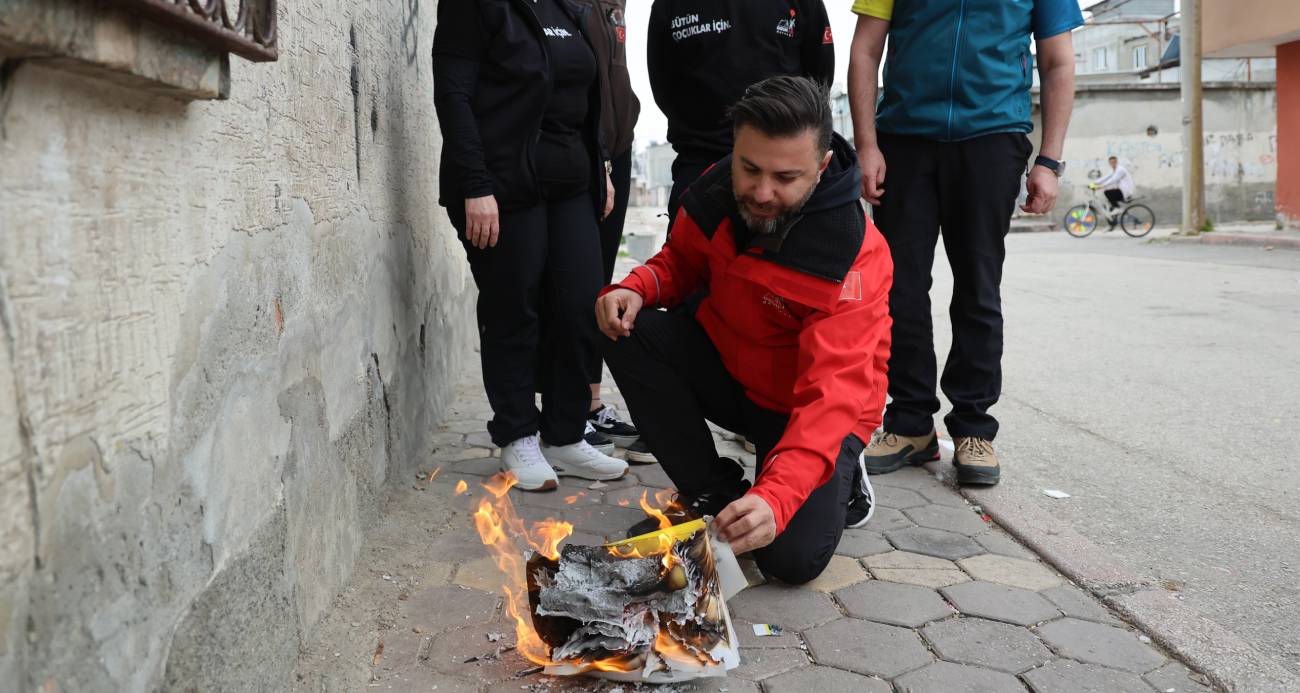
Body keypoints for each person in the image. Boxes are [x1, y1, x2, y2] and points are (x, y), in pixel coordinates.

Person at [597, 76, 892, 585]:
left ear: (821, 169)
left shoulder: (853, 256)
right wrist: (639, 285)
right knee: (623, 321)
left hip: (811, 410)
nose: (761, 192)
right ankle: (714, 492)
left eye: (785, 178)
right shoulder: (713, 193)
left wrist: (773, 499)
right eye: (749, 168)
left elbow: (832, 397)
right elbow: (681, 262)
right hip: (735, 378)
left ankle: (843, 470)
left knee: (789, 562)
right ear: (734, 148)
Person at [848, 0, 1083, 486]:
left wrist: (1050, 160)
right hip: (904, 140)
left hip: (992, 137)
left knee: (978, 287)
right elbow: (866, 49)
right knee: (900, 289)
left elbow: (1057, 60)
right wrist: (867, 144)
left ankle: (975, 428)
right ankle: (910, 422)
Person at [433, 0, 628, 491]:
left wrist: (600, 165)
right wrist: (475, 184)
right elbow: (453, 95)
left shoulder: (565, 7)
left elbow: (585, 98)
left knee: (581, 303)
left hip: (570, 184)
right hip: (501, 185)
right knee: (513, 307)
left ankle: (564, 434)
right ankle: (517, 433)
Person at [648, 0, 836, 226]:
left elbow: (819, 80)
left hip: (781, 165)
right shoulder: (670, 5)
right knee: (688, 257)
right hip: (701, 161)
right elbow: (664, 86)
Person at [575, 0, 656, 464]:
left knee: (600, 282)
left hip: (617, 150)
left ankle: (591, 403)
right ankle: (566, 408)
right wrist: (597, 157)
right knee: (578, 283)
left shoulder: (614, 6)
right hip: (587, 152)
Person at [1090, 156, 1136, 229]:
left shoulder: (1120, 170)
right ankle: (1111, 224)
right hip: (1120, 190)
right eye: (1111, 162)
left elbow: (1113, 180)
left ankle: (1118, 208)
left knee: (1107, 193)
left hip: (1126, 191)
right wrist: (1093, 183)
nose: (1113, 163)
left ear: (1117, 162)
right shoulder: (1112, 170)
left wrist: (1101, 186)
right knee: (1108, 202)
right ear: (1109, 163)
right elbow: (1106, 177)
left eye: (1114, 162)